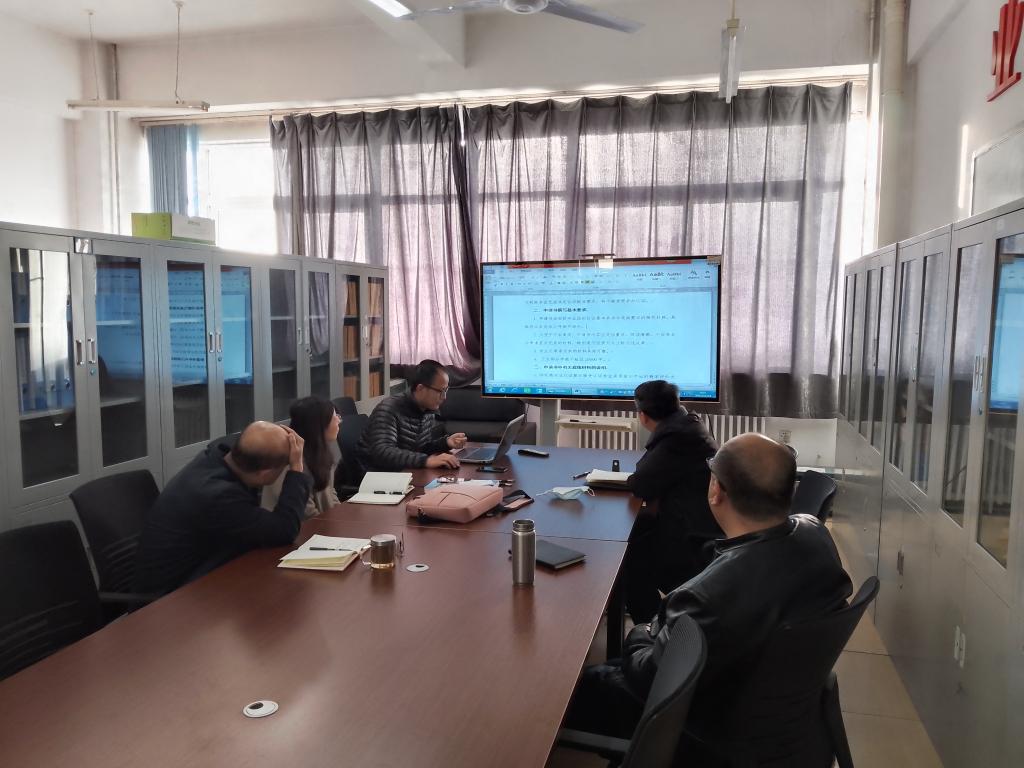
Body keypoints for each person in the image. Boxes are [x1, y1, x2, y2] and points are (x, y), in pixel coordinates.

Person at [566, 433, 853, 764]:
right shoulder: (816, 536)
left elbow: (649, 678)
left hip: (705, 732)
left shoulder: (703, 598)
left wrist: (641, 631)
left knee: (574, 685)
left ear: (716, 491)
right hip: (780, 726)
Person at [134, 421, 312, 595]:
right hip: (169, 599)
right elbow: (284, 530)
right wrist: (297, 467)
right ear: (265, 473)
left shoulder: (218, 455)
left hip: (204, 573)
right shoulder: (218, 495)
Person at [624, 380, 721, 622]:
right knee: (634, 537)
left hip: (691, 540)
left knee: (626, 562)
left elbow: (641, 483)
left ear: (643, 416)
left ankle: (654, 627)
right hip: (702, 525)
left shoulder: (676, 438)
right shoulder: (687, 425)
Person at [356, 359, 468, 471]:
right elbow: (383, 452)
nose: (444, 397)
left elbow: (421, 448)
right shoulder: (389, 409)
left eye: (446, 390)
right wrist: (425, 461)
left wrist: (446, 442)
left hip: (404, 472)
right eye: (440, 391)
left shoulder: (427, 410)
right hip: (375, 475)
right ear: (420, 389)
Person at [262, 396, 341, 518]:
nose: (339, 421)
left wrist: (341, 516)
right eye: (335, 416)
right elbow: (305, 514)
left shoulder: (321, 452)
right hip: (295, 527)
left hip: (323, 524)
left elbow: (331, 492)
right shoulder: (288, 460)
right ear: (319, 425)